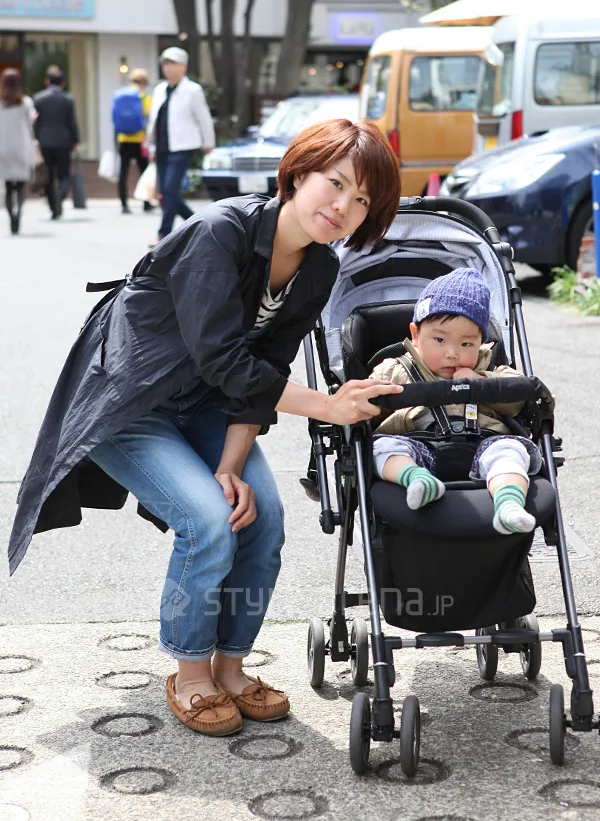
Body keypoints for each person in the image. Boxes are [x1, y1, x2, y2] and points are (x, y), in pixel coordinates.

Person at [9, 119, 402, 737]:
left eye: (362, 201)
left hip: (210, 404)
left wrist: (230, 463)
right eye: (335, 183)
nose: (343, 207)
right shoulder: (220, 231)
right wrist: (327, 406)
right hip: (131, 400)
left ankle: (230, 667)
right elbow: (225, 360)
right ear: (299, 173)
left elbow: (267, 366)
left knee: (261, 515)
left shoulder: (319, 268)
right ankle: (190, 672)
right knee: (208, 521)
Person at [370, 268, 543, 535]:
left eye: (466, 344)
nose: (452, 353)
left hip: (485, 445)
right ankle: (417, 480)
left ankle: (509, 503)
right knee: (380, 447)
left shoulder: (492, 369)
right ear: (415, 335)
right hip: (418, 446)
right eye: (439, 340)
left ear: (482, 341)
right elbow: (366, 407)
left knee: (510, 451)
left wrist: (482, 382)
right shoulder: (395, 370)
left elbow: (519, 398)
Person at [146, 46, 215, 246]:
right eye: (165, 63)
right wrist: (151, 147)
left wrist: (208, 142)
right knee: (167, 193)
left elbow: (204, 118)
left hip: (182, 146)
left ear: (183, 66)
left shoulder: (193, 90)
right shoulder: (159, 90)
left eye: (172, 63)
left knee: (169, 190)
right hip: (162, 147)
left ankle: (164, 234)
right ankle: (198, 224)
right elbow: (155, 120)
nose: (167, 67)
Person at [33, 68, 80, 220]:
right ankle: (61, 195)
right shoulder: (67, 100)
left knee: (48, 175)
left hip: (45, 141)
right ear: (63, 83)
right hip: (63, 142)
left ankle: (53, 207)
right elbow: (72, 122)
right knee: (64, 173)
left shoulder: (38, 99)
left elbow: (36, 123)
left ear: (47, 82)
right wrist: (76, 141)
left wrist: (36, 138)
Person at [112, 68, 153, 215]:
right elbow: (150, 118)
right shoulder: (144, 97)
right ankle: (146, 203)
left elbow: (115, 119)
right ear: (144, 82)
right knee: (144, 172)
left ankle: (124, 204)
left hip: (123, 139)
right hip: (140, 140)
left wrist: (115, 139)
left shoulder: (120, 95)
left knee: (123, 173)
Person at [0, 68, 35, 235]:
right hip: (22, 147)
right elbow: (31, 123)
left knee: (8, 186)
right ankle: (18, 212)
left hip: (4, 147)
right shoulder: (26, 103)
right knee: (20, 186)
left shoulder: (1, 104)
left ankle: (10, 217)